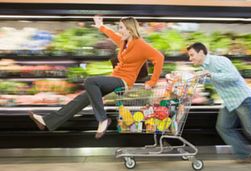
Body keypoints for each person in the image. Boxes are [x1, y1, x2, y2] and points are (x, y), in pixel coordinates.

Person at [29, 16, 164, 139]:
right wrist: (101, 26)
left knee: (90, 81)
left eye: (121, 27)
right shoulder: (124, 42)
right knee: (81, 99)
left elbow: (159, 57)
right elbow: (112, 35)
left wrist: (152, 82)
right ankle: (47, 121)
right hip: (114, 79)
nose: (119, 30)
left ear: (129, 29)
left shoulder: (140, 44)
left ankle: (102, 119)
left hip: (124, 82)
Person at [186, 42, 251, 163]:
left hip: (242, 98)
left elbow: (234, 76)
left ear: (201, 52)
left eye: (192, 55)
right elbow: (215, 81)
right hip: (229, 101)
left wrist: (210, 74)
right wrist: (194, 78)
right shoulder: (204, 67)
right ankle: (245, 154)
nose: (190, 58)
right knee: (223, 127)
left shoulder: (219, 60)